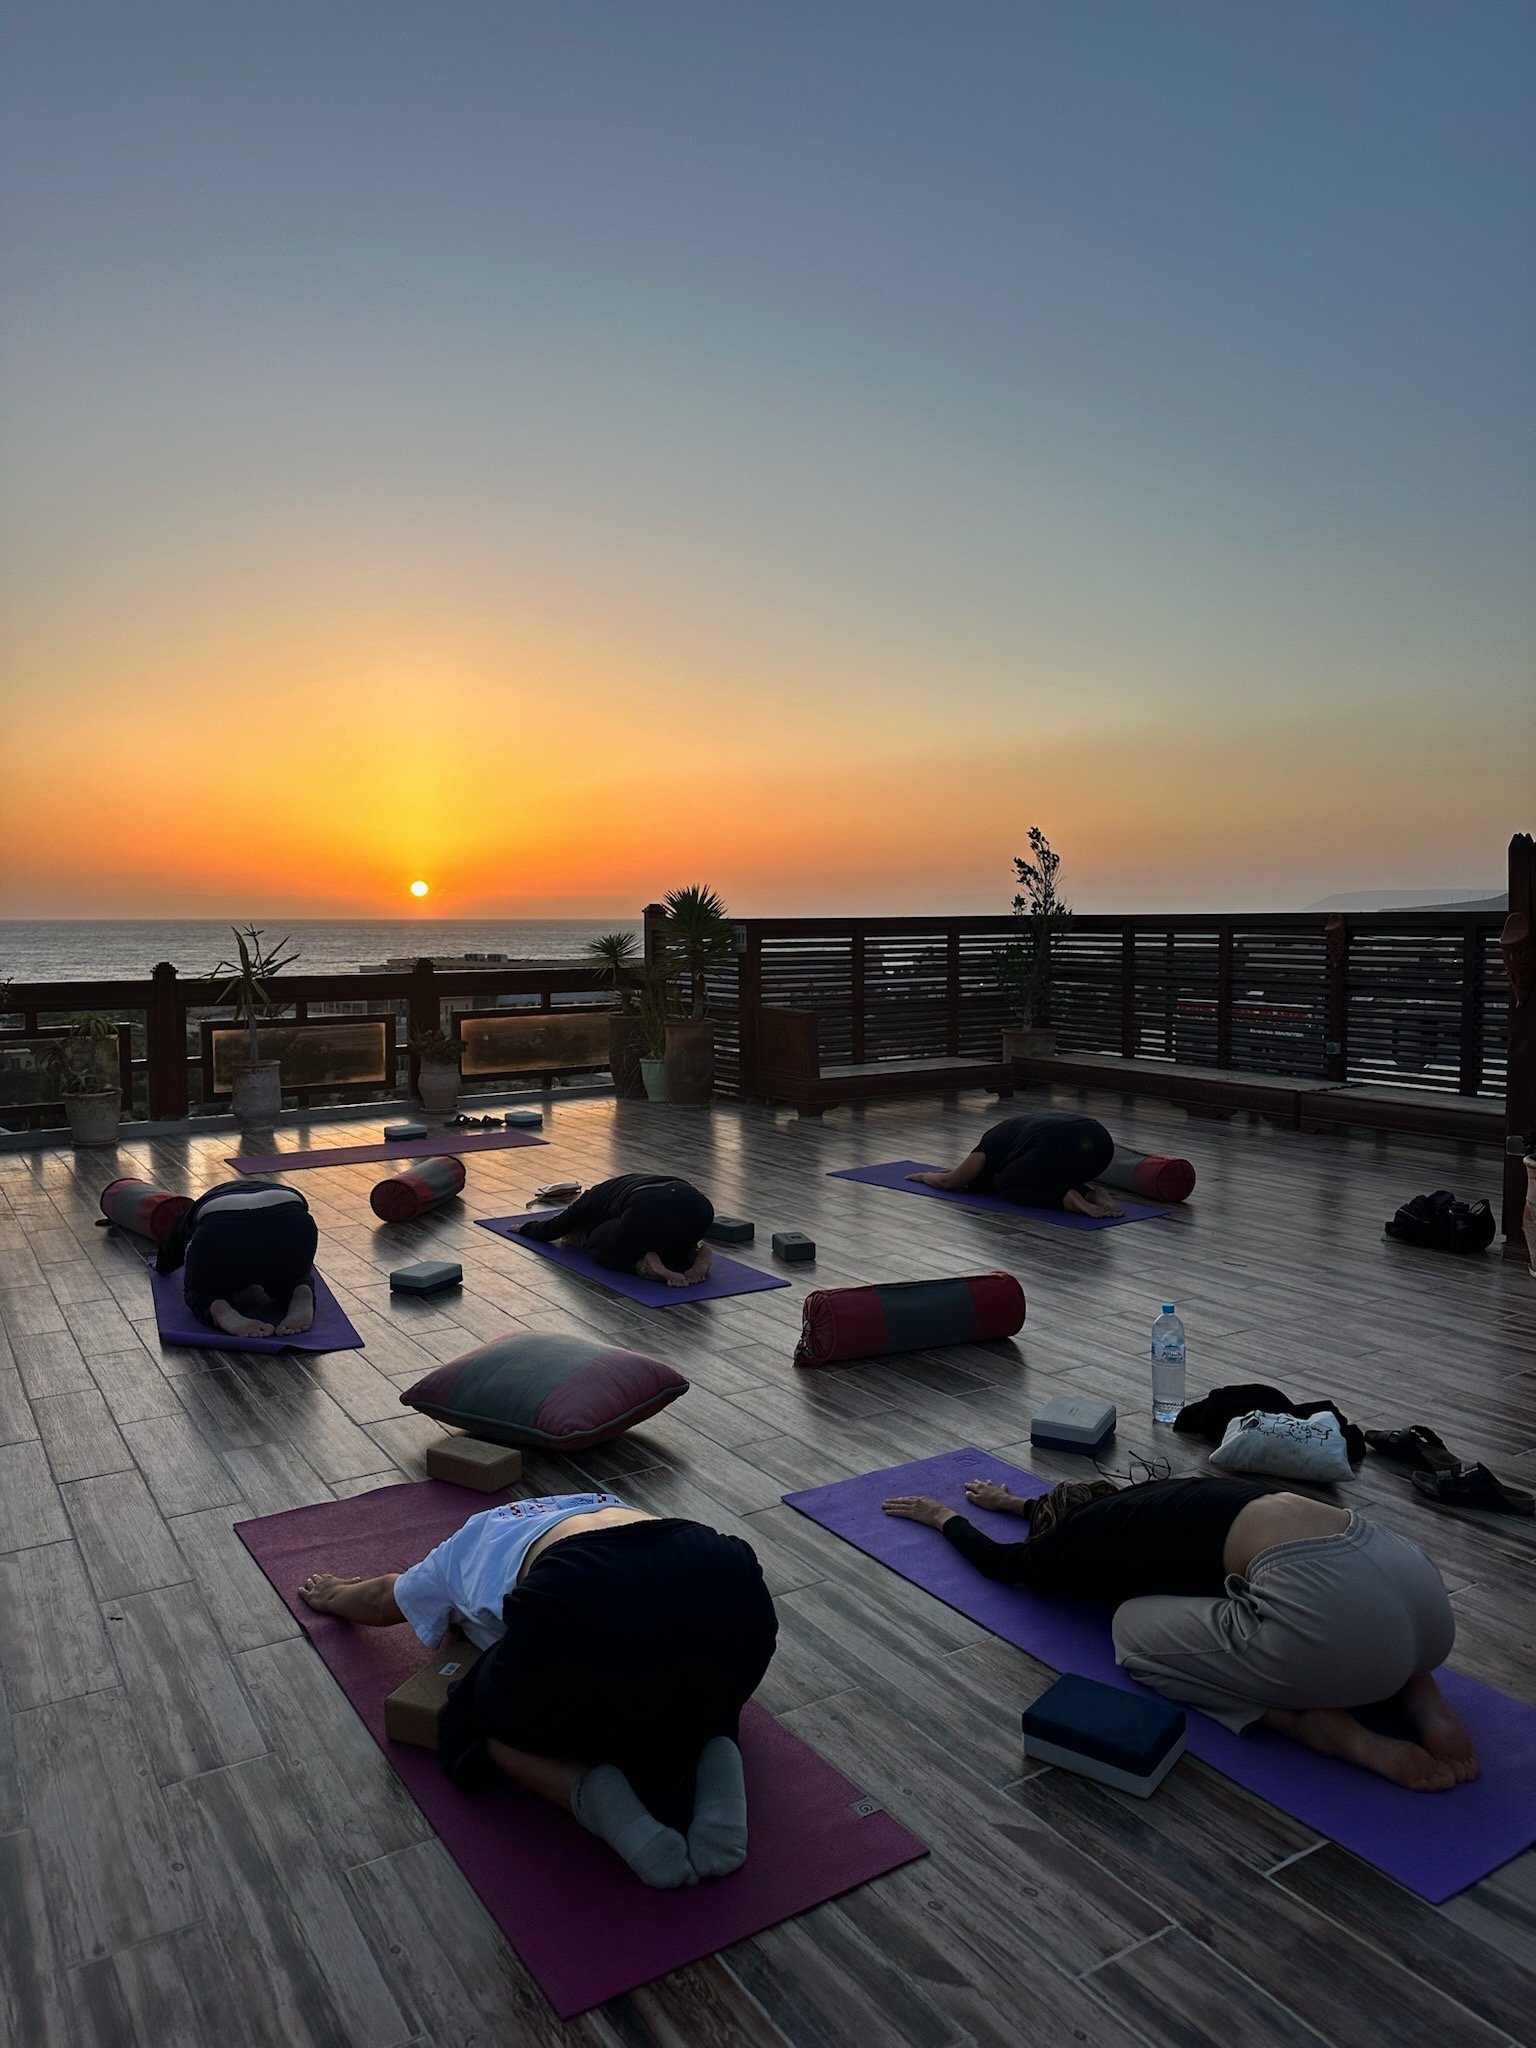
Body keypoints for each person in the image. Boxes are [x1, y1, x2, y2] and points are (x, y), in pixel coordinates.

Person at [882, 1474, 1475, 1792]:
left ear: (1057, 1530)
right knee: (1285, 1594)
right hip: (1417, 1591)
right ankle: (1419, 1689)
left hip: (1338, 1625)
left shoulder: (1083, 1538)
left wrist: (943, 1516)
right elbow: (1072, 1512)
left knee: (1130, 1631)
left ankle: (1311, 1725)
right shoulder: (1171, 1496)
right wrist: (1013, 1501)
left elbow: (1004, 1565)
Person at [300, 1493, 778, 1887]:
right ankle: (715, 1752)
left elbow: (385, 1597)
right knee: (695, 1663)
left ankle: (603, 1803)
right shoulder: (597, 1500)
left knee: (470, 1717)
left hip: (582, 1586)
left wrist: (334, 1595)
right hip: (726, 1571)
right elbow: (652, 1591)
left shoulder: (466, 1541)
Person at [155, 1178, 317, 1338]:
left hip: (222, 1230)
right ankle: (298, 1288)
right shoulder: (279, 1188)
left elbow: (173, 1248)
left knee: (201, 1293)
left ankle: (216, 1307)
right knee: (290, 1277)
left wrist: (162, 1265)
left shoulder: (198, 1206)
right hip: (294, 1220)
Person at [908, 1112, 1121, 1218]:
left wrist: (924, 1176)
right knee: (1048, 1175)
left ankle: (1067, 1199)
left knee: (1009, 1186)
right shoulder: (1011, 1133)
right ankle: (1092, 1194)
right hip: (1101, 1143)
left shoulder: (988, 1145)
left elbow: (950, 1181)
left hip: (1061, 1146)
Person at [518, 1173, 716, 1287]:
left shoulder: (589, 1199)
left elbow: (553, 1229)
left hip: (647, 1210)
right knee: (667, 1235)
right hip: (699, 1207)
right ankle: (694, 1253)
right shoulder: (619, 1185)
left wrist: (524, 1228)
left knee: (597, 1246)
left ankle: (644, 1265)